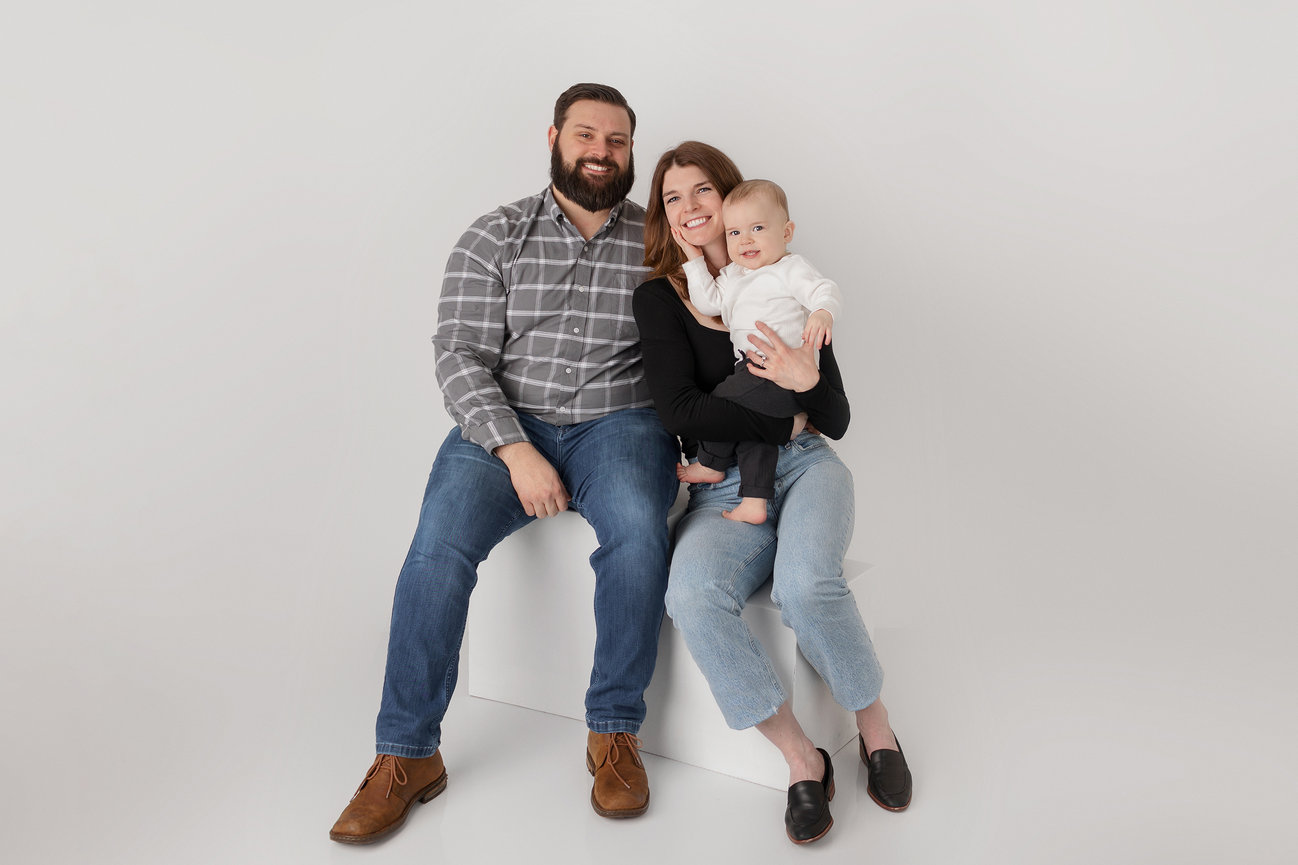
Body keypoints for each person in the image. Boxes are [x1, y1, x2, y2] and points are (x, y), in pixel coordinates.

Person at [329, 83, 680, 845]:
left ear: (630, 151)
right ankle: (406, 754)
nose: (600, 151)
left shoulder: (661, 241)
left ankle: (613, 731)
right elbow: (457, 356)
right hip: (505, 426)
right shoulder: (496, 234)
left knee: (637, 535)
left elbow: (710, 331)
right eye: (586, 134)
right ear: (553, 136)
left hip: (619, 423)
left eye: (617, 141)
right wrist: (514, 448)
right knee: (436, 550)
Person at [632, 141, 913, 845]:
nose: (691, 207)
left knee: (807, 586)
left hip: (806, 462)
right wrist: (786, 404)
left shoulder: (785, 281)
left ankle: (874, 727)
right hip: (723, 482)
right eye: (673, 198)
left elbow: (836, 417)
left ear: (731, 202)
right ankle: (801, 757)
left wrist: (803, 384)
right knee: (691, 594)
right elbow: (682, 415)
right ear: (665, 219)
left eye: (703, 192)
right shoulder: (663, 300)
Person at [671, 178, 843, 524]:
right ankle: (754, 501)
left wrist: (823, 311)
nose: (745, 239)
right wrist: (694, 259)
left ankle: (710, 463)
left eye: (757, 228)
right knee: (753, 432)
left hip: (780, 375)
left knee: (721, 401)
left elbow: (823, 289)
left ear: (786, 231)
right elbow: (708, 301)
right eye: (734, 232)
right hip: (750, 370)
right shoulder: (735, 275)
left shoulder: (789, 269)